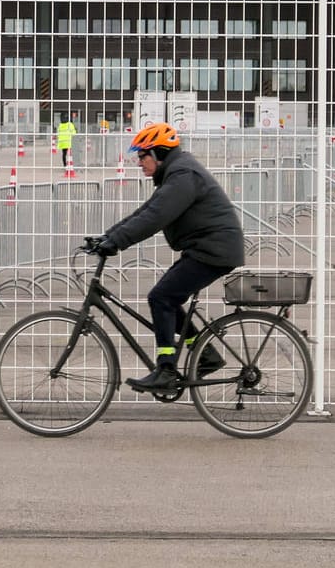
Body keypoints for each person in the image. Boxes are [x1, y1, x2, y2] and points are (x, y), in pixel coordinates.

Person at [93, 122, 246, 393]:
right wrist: (107, 236)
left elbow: (156, 217)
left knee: (161, 297)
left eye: (142, 155)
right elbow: (147, 209)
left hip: (214, 250)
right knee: (168, 297)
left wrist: (116, 243)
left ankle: (166, 369)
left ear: (159, 153)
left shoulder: (183, 175)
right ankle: (206, 354)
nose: (138, 161)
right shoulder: (176, 173)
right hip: (208, 248)